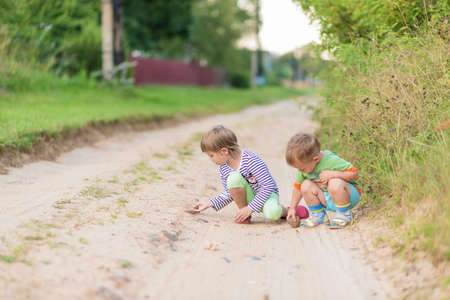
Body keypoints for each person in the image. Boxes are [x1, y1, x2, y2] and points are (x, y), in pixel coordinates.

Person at [192, 125, 287, 223]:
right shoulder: (224, 168)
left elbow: (268, 185)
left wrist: (251, 208)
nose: (210, 159)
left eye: (211, 155)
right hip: (250, 196)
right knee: (233, 178)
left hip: (267, 194)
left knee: (272, 213)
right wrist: (209, 203)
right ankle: (244, 213)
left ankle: (288, 211)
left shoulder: (250, 160)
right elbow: (230, 192)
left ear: (224, 151)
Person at [285, 133, 361, 228]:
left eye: (302, 168)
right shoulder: (303, 167)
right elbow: (297, 188)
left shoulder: (330, 160)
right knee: (304, 185)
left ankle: (344, 214)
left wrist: (334, 174)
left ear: (315, 159)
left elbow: (354, 174)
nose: (300, 171)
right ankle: (319, 215)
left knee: (334, 182)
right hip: (328, 199)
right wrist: (292, 208)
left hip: (348, 196)